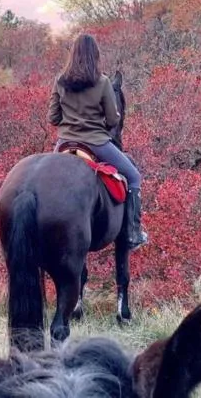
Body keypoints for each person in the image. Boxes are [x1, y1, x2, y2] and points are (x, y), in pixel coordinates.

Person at [47, 33, 148, 251]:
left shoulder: (60, 81)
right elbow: (112, 120)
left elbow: (53, 117)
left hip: (64, 143)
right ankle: (133, 232)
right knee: (133, 177)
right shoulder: (102, 82)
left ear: (73, 54)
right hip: (95, 142)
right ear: (95, 55)